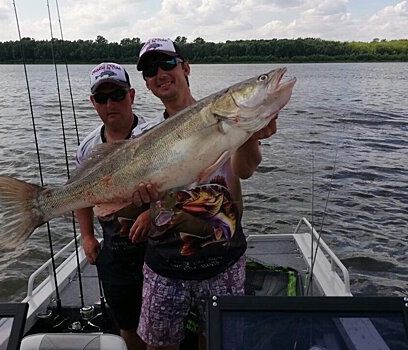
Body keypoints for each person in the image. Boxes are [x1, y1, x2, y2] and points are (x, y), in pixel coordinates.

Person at [131, 38, 278, 350]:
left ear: (186, 68)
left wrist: (250, 133)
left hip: (222, 260)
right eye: (149, 69)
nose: (160, 73)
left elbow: (245, 170)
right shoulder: (143, 139)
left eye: (167, 63)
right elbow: (152, 201)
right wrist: (143, 205)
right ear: (146, 84)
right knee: (159, 345)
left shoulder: (226, 119)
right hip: (165, 264)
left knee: (218, 342)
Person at [74, 62, 149, 350]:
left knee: (162, 321)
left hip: (156, 244)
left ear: (131, 95)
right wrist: (88, 236)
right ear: (93, 102)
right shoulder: (88, 147)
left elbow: (177, 186)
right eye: (102, 98)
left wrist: (150, 212)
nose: (110, 104)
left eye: (117, 95)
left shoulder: (154, 133)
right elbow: (79, 194)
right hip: (114, 249)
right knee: (126, 321)